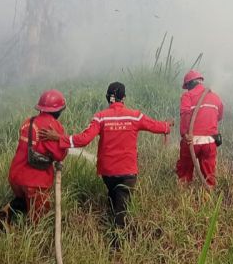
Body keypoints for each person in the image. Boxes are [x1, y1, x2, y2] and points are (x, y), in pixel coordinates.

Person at [40, 82, 171, 239]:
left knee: (114, 197)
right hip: (127, 172)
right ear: (124, 98)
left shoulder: (100, 117)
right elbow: (154, 126)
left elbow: (84, 139)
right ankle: (118, 243)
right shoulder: (135, 116)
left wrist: (59, 138)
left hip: (107, 172)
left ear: (108, 98)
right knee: (121, 209)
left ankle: (113, 226)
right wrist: (167, 126)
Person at [0, 89, 68, 229]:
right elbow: (59, 155)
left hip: (16, 175)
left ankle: (8, 212)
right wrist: (64, 148)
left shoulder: (28, 122)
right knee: (39, 216)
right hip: (35, 180)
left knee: (23, 199)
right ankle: (31, 238)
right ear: (57, 111)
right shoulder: (52, 126)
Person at [176, 69, 224, 187]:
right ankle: (208, 198)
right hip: (210, 142)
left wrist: (184, 134)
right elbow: (219, 116)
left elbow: (185, 115)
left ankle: (184, 197)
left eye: (187, 86)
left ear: (189, 84)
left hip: (191, 141)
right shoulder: (215, 97)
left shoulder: (187, 96)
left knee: (185, 173)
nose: (187, 89)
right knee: (209, 175)